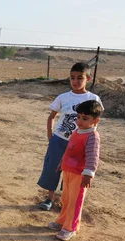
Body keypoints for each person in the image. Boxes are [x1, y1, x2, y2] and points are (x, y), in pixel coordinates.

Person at [37, 62, 103, 211]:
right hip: (59, 139)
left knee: (72, 172)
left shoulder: (94, 98)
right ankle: (50, 198)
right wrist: (51, 137)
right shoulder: (63, 97)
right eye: (72, 78)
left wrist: (89, 138)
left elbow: (96, 119)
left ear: (88, 78)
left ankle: (64, 200)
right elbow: (51, 117)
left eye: (80, 78)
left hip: (80, 142)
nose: (75, 81)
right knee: (52, 168)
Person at [47, 100, 102, 241]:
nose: (80, 121)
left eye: (85, 118)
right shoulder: (77, 131)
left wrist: (89, 174)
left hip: (79, 174)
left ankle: (71, 227)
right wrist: (62, 163)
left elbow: (92, 156)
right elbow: (68, 150)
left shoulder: (92, 137)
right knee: (66, 198)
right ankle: (62, 221)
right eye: (78, 117)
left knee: (75, 201)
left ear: (95, 120)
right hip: (68, 170)